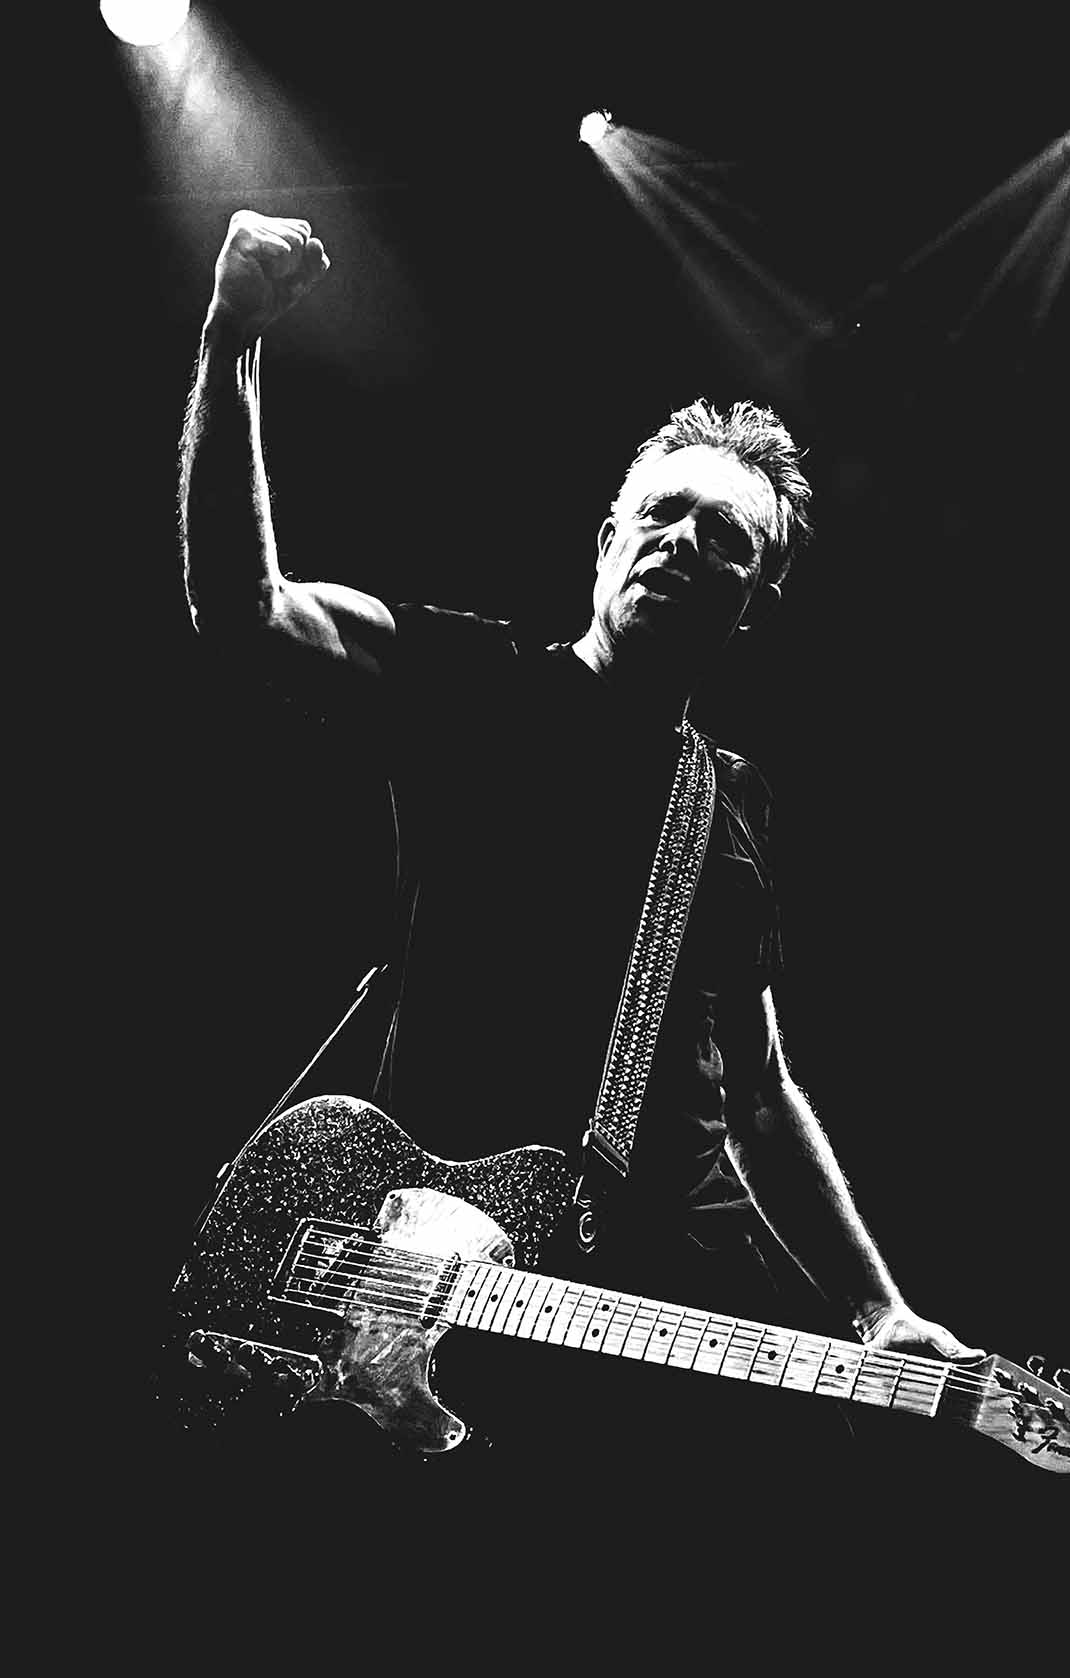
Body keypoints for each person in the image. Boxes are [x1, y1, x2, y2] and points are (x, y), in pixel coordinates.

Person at [176, 210, 984, 1550]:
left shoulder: (728, 806)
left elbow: (763, 1092)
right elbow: (242, 607)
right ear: (607, 538)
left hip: (659, 1272)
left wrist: (877, 1304)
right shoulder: (474, 684)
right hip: (435, 1260)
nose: (683, 542)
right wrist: (233, 343)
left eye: (725, 540)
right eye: (662, 513)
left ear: (755, 602)